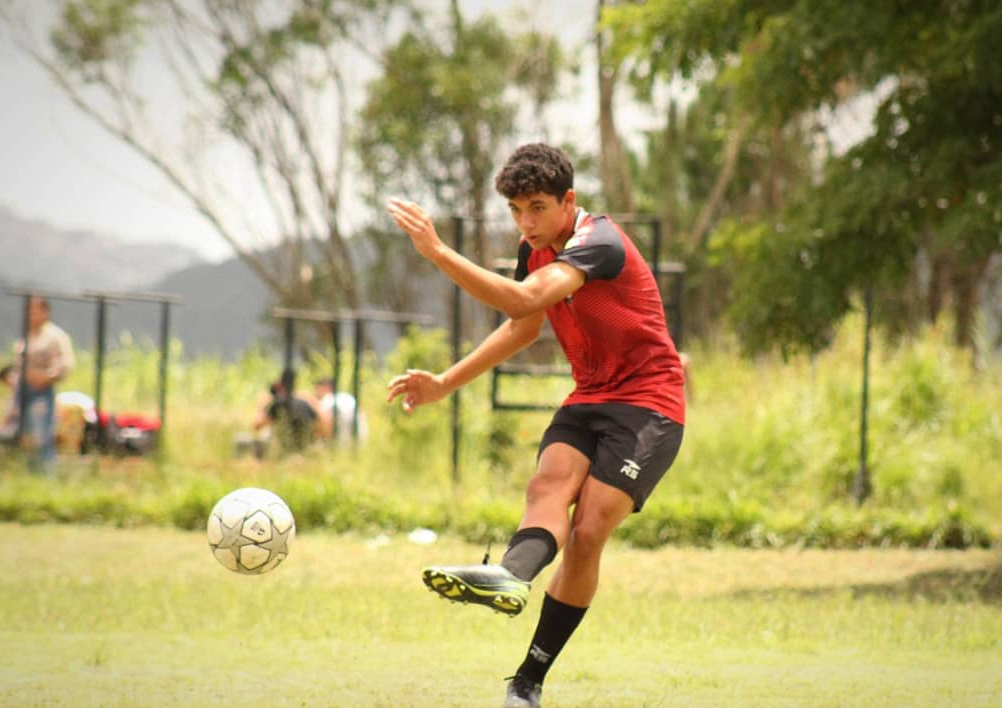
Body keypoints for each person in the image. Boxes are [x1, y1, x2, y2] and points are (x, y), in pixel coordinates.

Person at [386, 143, 686, 708]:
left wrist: (437, 252)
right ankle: (509, 576)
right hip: (591, 396)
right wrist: (445, 383)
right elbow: (523, 324)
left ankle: (528, 681)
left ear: (568, 201)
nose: (526, 223)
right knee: (548, 485)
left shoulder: (599, 243)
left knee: (590, 530)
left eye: (538, 208)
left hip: (650, 406)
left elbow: (523, 297)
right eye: (516, 210)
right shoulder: (537, 247)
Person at [15, 297, 76, 473]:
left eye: (35, 310)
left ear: (45, 311)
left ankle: (45, 476)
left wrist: (44, 377)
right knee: (26, 437)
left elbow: (64, 365)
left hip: (42, 392)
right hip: (24, 391)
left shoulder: (55, 336)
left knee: (42, 436)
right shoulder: (27, 336)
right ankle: (27, 475)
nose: (31, 315)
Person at [252, 368, 319, 454]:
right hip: (307, 446)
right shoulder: (306, 400)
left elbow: (257, 425)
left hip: (287, 448)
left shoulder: (278, 403)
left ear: (280, 385)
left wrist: (262, 407)